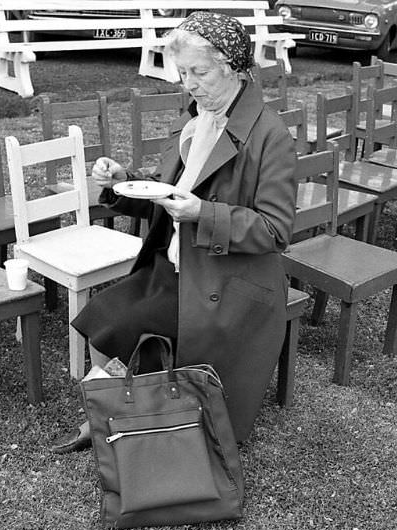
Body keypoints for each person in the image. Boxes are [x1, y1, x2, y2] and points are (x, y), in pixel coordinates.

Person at [50, 11, 297, 453]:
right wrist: (121, 180)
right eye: (183, 73)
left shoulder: (269, 135)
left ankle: (131, 418)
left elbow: (276, 230)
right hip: (177, 266)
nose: (190, 84)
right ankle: (113, 413)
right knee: (99, 319)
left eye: (199, 72)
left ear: (233, 67)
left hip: (228, 281)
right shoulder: (197, 118)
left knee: (126, 324)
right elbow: (169, 193)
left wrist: (204, 213)